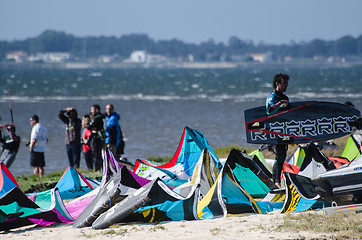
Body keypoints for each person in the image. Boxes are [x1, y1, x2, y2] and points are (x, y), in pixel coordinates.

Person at [265, 73, 290, 188]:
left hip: (283, 130)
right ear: (277, 84)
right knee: (279, 155)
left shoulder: (285, 98)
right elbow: (269, 110)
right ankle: (276, 182)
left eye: (287, 83)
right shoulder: (272, 97)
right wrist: (280, 104)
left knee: (282, 156)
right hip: (274, 131)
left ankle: (276, 180)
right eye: (284, 83)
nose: (286, 86)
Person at [88, 104, 105, 171]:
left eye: (93, 109)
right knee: (98, 154)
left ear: (97, 110)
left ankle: (98, 169)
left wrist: (91, 126)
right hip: (99, 137)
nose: (92, 111)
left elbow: (89, 127)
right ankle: (100, 169)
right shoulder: (100, 117)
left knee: (97, 155)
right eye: (91, 110)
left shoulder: (97, 117)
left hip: (97, 138)